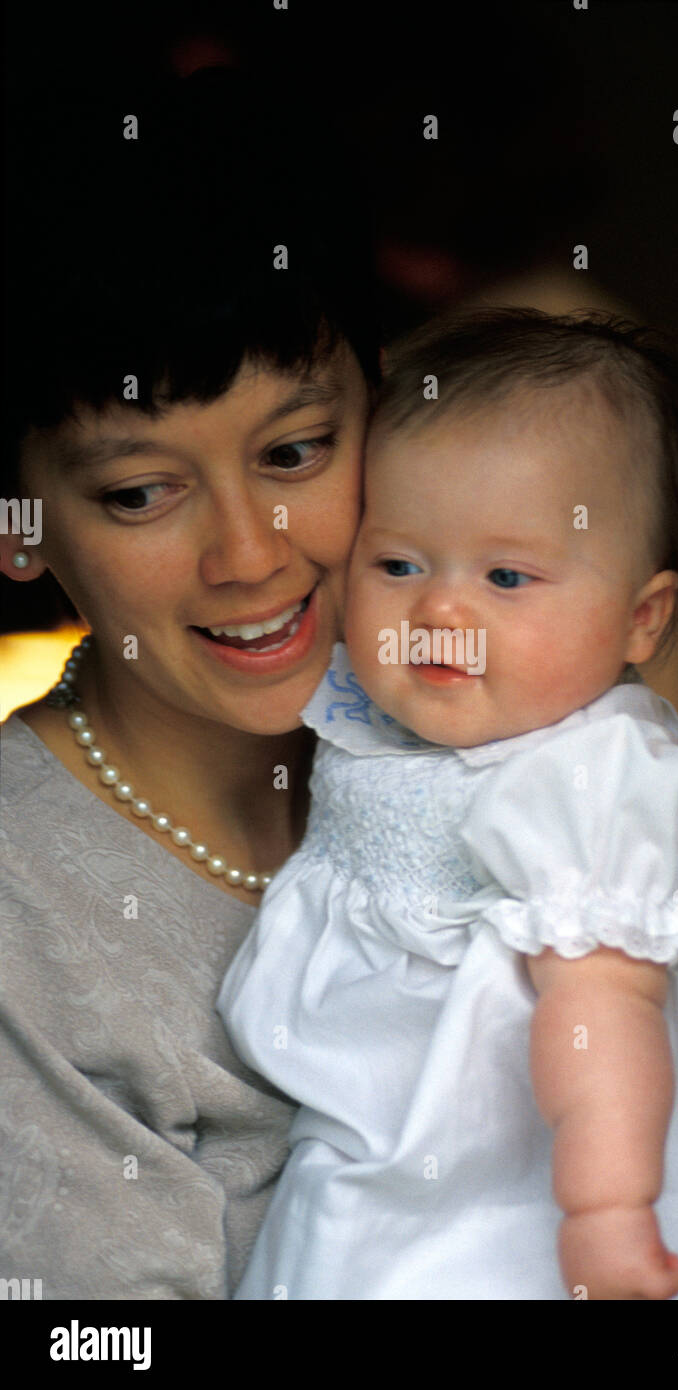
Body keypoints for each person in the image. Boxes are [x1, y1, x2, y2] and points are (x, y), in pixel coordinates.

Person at [218, 309, 678, 1301]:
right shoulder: (362, 712)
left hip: (543, 1162)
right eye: (398, 564)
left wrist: (608, 1214)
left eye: (507, 575)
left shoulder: (595, 784)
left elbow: (601, 1010)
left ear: (641, 618)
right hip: (377, 1121)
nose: (440, 610)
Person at [0, 71, 381, 1298]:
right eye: (138, 491)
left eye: (294, 451)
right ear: (19, 527)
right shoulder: (27, 918)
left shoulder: (484, 750)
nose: (252, 552)